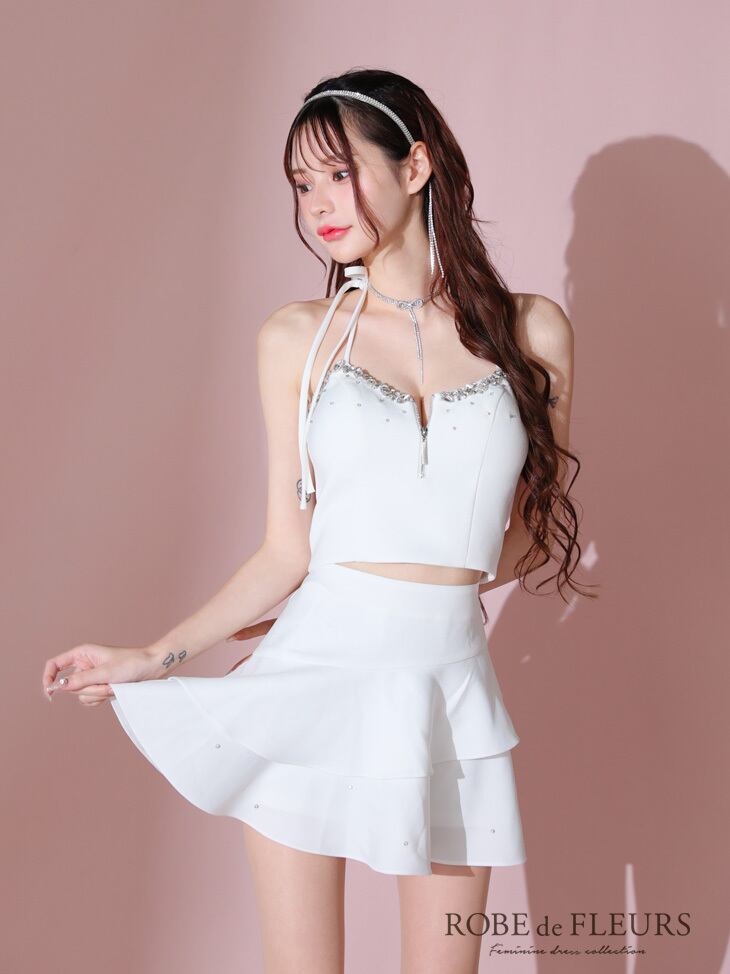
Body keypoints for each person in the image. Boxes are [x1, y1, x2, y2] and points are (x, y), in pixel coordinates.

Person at [41, 68, 591, 974]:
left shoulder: (535, 332)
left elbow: (530, 528)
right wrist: (153, 656)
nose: (319, 204)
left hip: (450, 694)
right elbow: (284, 549)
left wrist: (402, 592)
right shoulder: (297, 339)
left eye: (339, 174)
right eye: (302, 184)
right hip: (308, 684)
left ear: (416, 167)